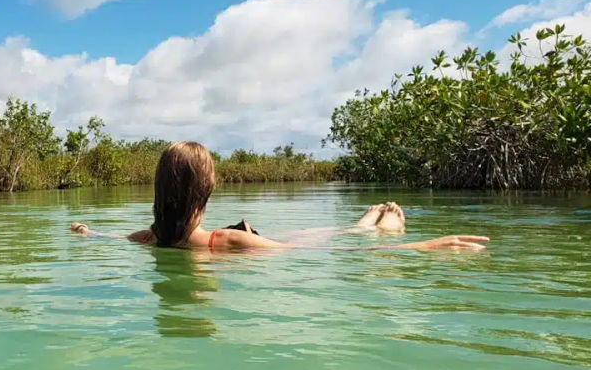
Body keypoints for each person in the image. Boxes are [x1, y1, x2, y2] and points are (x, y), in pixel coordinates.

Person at [69, 141, 489, 252]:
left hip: (242, 238)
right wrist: (428, 245)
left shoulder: (151, 238)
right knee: (321, 237)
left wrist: (88, 232)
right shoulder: (229, 242)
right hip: (244, 240)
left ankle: (364, 223)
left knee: (314, 231)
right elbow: (301, 257)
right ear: (207, 190)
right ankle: (372, 225)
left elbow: (113, 240)